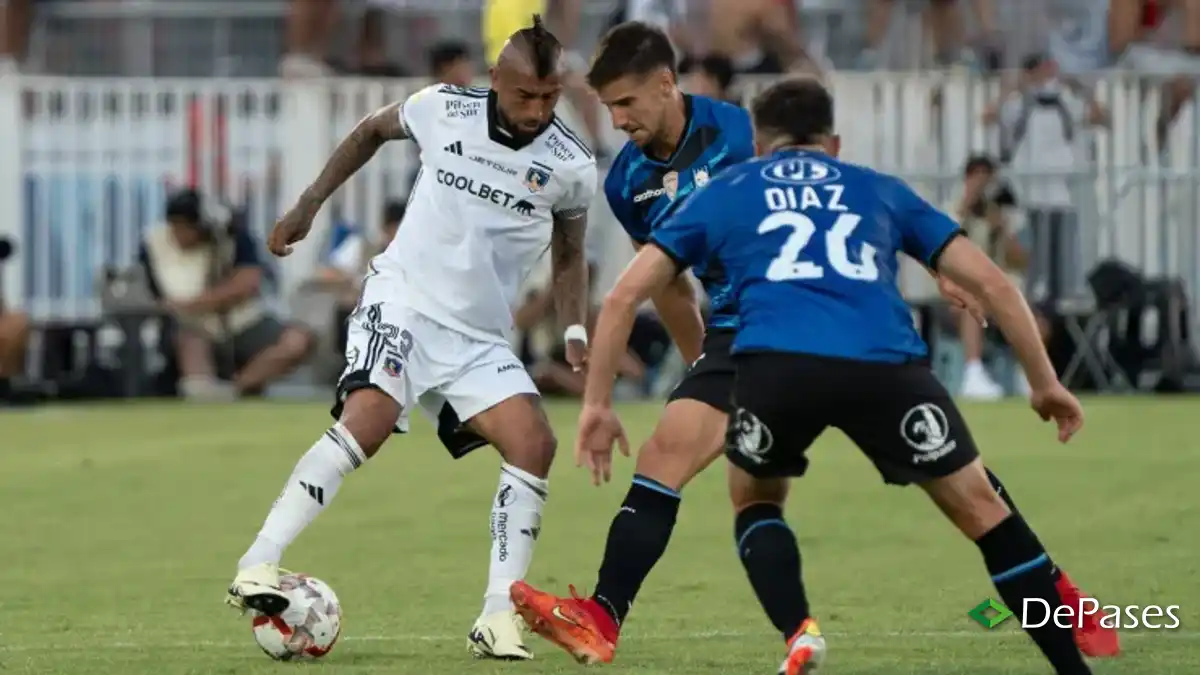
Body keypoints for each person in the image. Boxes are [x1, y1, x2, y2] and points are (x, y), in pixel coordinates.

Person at [509, 24, 1119, 668]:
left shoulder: (741, 136)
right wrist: (698, 365)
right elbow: (668, 285)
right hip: (741, 334)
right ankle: (603, 617)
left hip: (807, 313)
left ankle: (1059, 596)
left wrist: (940, 267)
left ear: (666, 84)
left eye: (627, 103)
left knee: (946, 485)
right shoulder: (626, 181)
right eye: (609, 109)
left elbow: (835, 202)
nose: (619, 120)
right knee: (664, 453)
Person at [224, 15, 597, 662]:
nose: (536, 111)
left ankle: (496, 613)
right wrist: (309, 205)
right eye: (523, 96)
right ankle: (259, 561)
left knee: (533, 442)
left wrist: (572, 326)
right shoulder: (441, 108)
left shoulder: (570, 165)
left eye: (549, 97)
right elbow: (370, 130)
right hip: (405, 298)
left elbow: (569, 255)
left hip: (477, 333)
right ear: (494, 82)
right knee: (368, 420)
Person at [139, 189, 315, 400]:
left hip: (241, 321)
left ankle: (237, 388)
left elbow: (247, 283)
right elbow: (151, 296)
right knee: (188, 342)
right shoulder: (153, 244)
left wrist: (196, 302)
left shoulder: (229, 237)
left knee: (297, 341)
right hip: (189, 327)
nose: (181, 235)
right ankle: (202, 393)